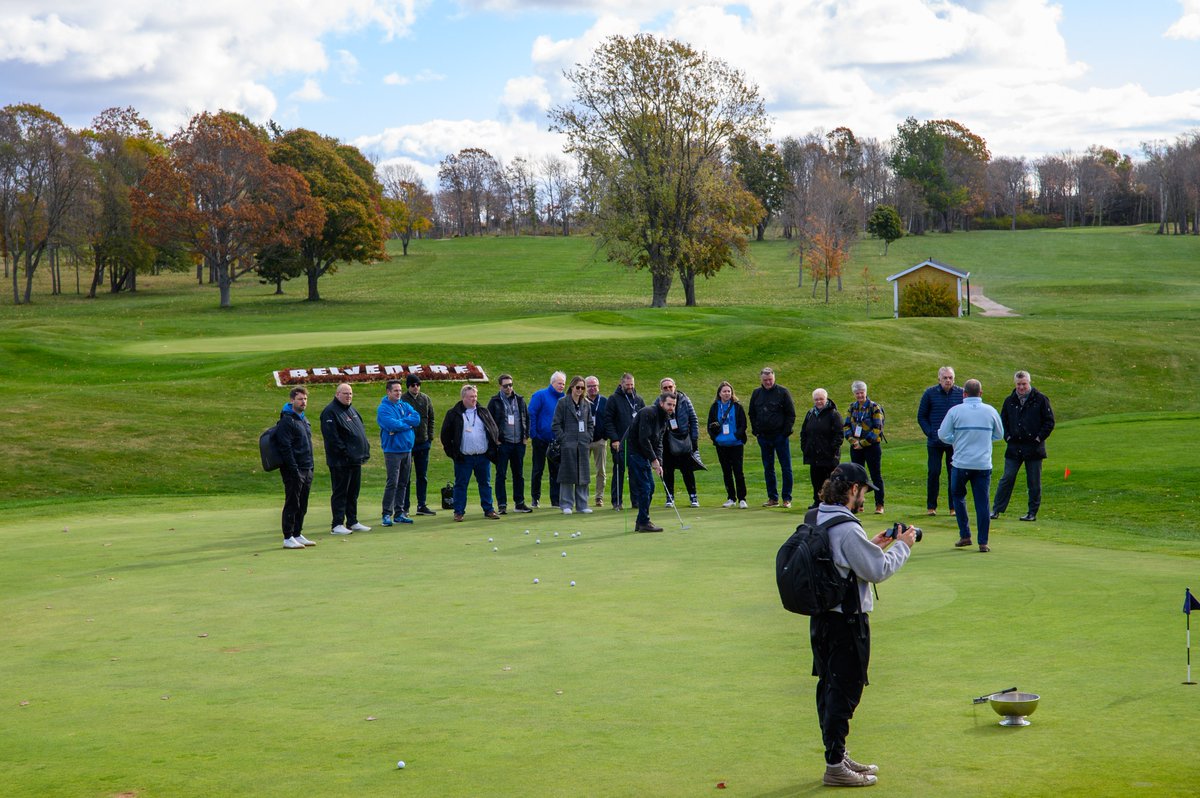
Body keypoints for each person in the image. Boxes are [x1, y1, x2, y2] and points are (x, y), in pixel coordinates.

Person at [808, 462, 916, 787]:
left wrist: (873, 543)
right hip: (847, 622)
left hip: (822, 620)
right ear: (853, 489)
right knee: (845, 690)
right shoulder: (847, 527)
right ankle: (834, 766)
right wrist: (903, 546)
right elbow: (877, 571)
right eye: (864, 491)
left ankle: (837, 754)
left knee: (829, 687)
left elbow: (842, 560)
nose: (865, 498)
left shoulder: (817, 516)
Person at [938, 379, 1003, 552]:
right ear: (981, 393)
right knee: (982, 503)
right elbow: (999, 434)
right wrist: (985, 439)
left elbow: (943, 435)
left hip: (961, 463)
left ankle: (965, 535)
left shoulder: (955, 411)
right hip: (982, 464)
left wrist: (956, 440)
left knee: (958, 497)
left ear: (964, 394)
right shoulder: (990, 411)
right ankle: (983, 541)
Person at [991, 370, 1056, 523]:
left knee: (1034, 481)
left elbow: (1049, 422)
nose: (1021, 387)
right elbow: (1003, 422)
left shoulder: (1040, 400)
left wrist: (1038, 438)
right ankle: (996, 509)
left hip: (1034, 448)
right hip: (1014, 447)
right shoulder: (1010, 401)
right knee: (1007, 478)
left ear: (1029, 382)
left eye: (1024, 384)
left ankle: (1032, 512)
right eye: (1019, 384)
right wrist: (1007, 437)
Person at [439, 384, 501, 522]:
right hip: (464, 457)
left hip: (482, 456)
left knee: (485, 483)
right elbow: (445, 435)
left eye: (475, 396)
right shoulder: (453, 414)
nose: (474, 399)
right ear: (463, 398)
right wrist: (453, 453)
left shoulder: (483, 411)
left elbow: (493, 429)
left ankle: (489, 510)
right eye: (471, 397)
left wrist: (493, 449)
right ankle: (459, 512)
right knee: (461, 485)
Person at [320, 383, 372, 536]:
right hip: (340, 461)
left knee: (353, 492)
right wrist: (346, 453)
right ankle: (337, 524)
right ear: (337, 394)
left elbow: (359, 431)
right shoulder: (330, 412)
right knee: (340, 492)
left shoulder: (351, 409)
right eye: (345, 393)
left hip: (355, 460)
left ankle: (352, 521)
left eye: (350, 393)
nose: (348, 396)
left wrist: (364, 449)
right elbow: (332, 439)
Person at [624, 391, 676, 533]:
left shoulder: (665, 418)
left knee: (650, 488)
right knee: (645, 487)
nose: (671, 408)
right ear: (661, 403)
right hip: (634, 452)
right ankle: (644, 522)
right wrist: (653, 460)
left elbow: (658, 442)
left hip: (644, 454)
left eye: (673, 405)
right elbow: (644, 439)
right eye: (669, 404)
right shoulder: (649, 413)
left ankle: (641, 521)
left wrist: (659, 462)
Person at [273, 386, 317, 549]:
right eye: (300, 399)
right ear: (292, 400)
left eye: (305, 399)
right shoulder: (287, 420)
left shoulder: (303, 420)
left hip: (307, 467)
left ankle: (297, 533)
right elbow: (286, 447)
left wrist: (311, 467)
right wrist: (293, 469)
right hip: (294, 469)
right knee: (292, 502)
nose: (303, 402)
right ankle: (288, 536)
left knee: (302, 503)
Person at [917, 366, 964, 516]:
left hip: (954, 442)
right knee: (934, 472)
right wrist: (930, 433)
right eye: (945, 378)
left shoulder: (961, 394)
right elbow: (921, 416)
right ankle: (931, 507)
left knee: (954, 474)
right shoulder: (930, 393)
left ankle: (953, 507)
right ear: (939, 379)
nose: (948, 380)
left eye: (950, 377)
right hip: (935, 442)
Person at [749, 366, 796, 508]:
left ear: (774, 378)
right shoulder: (756, 393)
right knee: (768, 468)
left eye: (770, 379)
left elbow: (791, 414)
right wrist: (756, 431)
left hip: (780, 436)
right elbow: (752, 413)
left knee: (786, 467)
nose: (768, 382)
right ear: (761, 380)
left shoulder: (783, 392)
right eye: (765, 380)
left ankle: (786, 498)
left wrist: (785, 432)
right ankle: (772, 498)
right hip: (764, 437)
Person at [377, 379, 422, 527]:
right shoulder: (383, 408)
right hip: (392, 451)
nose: (398, 393)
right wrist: (406, 424)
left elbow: (417, 418)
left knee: (403, 482)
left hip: (407, 449)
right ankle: (386, 514)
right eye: (395, 390)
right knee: (392, 483)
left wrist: (402, 423)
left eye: (399, 390)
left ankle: (399, 513)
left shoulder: (404, 404)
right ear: (388, 392)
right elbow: (391, 424)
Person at [487, 373, 532, 514]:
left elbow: (526, 418)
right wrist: (496, 439)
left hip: (518, 443)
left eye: (511, 385)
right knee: (501, 474)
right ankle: (502, 504)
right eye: (506, 385)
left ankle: (519, 503)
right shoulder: (495, 401)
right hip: (503, 444)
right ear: (500, 386)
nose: (509, 388)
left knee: (518, 474)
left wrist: (525, 437)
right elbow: (489, 422)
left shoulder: (519, 400)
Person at [552, 375, 595, 514]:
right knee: (567, 475)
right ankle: (566, 505)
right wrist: (563, 439)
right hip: (568, 444)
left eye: (583, 388)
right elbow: (556, 424)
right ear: (572, 387)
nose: (580, 390)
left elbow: (590, 424)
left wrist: (588, 437)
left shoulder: (586, 404)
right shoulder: (563, 402)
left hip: (582, 444)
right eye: (578, 387)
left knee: (583, 474)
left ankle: (582, 505)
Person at [604, 372, 645, 511]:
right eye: (627, 385)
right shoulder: (613, 399)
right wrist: (614, 439)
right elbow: (608, 421)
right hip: (619, 443)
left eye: (632, 385)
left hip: (635, 444)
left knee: (635, 473)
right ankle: (617, 502)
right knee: (618, 472)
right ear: (621, 384)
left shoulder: (638, 400)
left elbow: (643, 420)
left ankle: (636, 501)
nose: (630, 387)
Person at [843, 381, 886, 514]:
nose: (860, 395)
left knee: (875, 475)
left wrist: (862, 443)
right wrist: (852, 441)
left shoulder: (874, 407)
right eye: (857, 393)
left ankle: (879, 505)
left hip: (872, 446)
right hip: (855, 447)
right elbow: (846, 426)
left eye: (862, 392)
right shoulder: (852, 407)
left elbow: (877, 428)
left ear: (866, 392)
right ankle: (858, 504)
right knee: (857, 477)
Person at [658, 376, 700, 508]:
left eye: (670, 387)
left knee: (687, 470)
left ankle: (693, 497)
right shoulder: (658, 402)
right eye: (665, 387)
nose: (668, 389)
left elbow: (693, 420)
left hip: (683, 439)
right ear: (661, 390)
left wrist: (694, 440)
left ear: (674, 387)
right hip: (666, 440)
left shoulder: (684, 400)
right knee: (667, 470)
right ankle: (669, 497)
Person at [706, 380, 748, 508]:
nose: (726, 393)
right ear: (719, 393)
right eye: (724, 391)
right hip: (721, 444)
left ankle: (742, 498)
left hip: (736, 444)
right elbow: (710, 425)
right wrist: (715, 438)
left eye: (729, 391)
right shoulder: (715, 407)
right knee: (726, 472)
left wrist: (736, 436)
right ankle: (731, 498)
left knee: (738, 471)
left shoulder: (737, 406)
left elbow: (743, 424)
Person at [528, 371, 566, 508]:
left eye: (563, 383)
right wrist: (533, 434)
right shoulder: (540, 395)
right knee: (538, 469)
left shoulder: (564, 398)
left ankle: (555, 500)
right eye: (559, 383)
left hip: (556, 441)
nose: (561, 386)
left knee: (555, 471)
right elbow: (531, 413)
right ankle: (535, 498)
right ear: (552, 383)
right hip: (540, 439)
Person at [400, 375, 437, 517]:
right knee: (406, 477)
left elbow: (431, 418)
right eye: (413, 385)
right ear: (408, 386)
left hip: (423, 443)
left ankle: (421, 505)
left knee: (422, 476)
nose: (416, 387)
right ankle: (405, 507)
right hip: (408, 444)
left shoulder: (425, 399)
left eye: (418, 384)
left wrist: (430, 437)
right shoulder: (402, 400)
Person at [800, 388, 842, 509]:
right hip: (814, 454)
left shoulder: (834, 414)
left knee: (829, 481)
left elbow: (838, 435)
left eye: (821, 399)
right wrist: (805, 448)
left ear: (826, 399)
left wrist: (831, 450)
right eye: (816, 399)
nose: (819, 401)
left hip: (829, 456)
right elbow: (804, 432)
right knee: (816, 480)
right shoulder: (810, 413)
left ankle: (831, 503)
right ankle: (817, 501)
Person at [585, 375, 608, 507]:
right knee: (584, 470)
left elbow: (609, 419)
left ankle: (599, 497)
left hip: (600, 441)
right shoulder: (582, 401)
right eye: (590, 386)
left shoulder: (604, 401)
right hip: (585, 441)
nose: (593, 388)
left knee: (601, 470)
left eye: (595, 386)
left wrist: (605, 436)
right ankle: (584, 497)